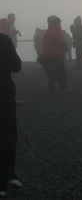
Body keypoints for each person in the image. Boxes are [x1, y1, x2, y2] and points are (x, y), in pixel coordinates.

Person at [0, 32, 22, 196]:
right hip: (3, 92)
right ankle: (9, 175)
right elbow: (16, 66)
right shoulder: (3, 39)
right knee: (7, 133)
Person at [42, 16, 70, 91]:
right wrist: (65, 42)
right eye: (59, 23)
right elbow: (59, 42)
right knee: (62, 71)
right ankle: (64, 87)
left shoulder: (48, 31)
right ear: (57, 23)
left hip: (48, 55)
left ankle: (51, 87)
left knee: (51, 72)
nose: (60, 25)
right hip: (57, 54)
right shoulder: (56, 31)